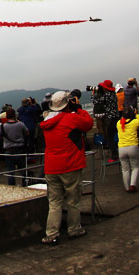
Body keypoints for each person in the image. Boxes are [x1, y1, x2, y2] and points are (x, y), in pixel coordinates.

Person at [39, 90, 93, 245]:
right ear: (68, 103)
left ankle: (51, 234)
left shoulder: (46, 121)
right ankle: (74, 229)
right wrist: (79, 109)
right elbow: (88, 124)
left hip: (51, 167)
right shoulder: (72, 118)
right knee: (73, 200)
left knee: (54, 202)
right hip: (70, 165)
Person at [116, 108, 139, 193]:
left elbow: (122, 121)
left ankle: (126, 187)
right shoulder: (134, 122)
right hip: (132, 146)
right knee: (135, 167)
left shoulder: (119, 123)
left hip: (121, 148)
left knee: (125, 169)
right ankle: (132, 185)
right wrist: (136, 114)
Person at [0, 109, 30, 186]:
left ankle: (12, 186)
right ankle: (25, 183)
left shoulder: (3, 126)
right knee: (23, 169)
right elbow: (27, 133)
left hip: (8, 150)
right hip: (20, 149)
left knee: (10, 171)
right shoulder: (21, 124)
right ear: (15, 115)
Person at [92, 80, 120, 164]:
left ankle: (115, 156)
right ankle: (119, 153)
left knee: (110, 137)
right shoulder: (113, 94)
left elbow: (95, 101)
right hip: (116, 116)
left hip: (110, 118)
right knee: (116, 135)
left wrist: (94, 94)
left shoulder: (106, 95)